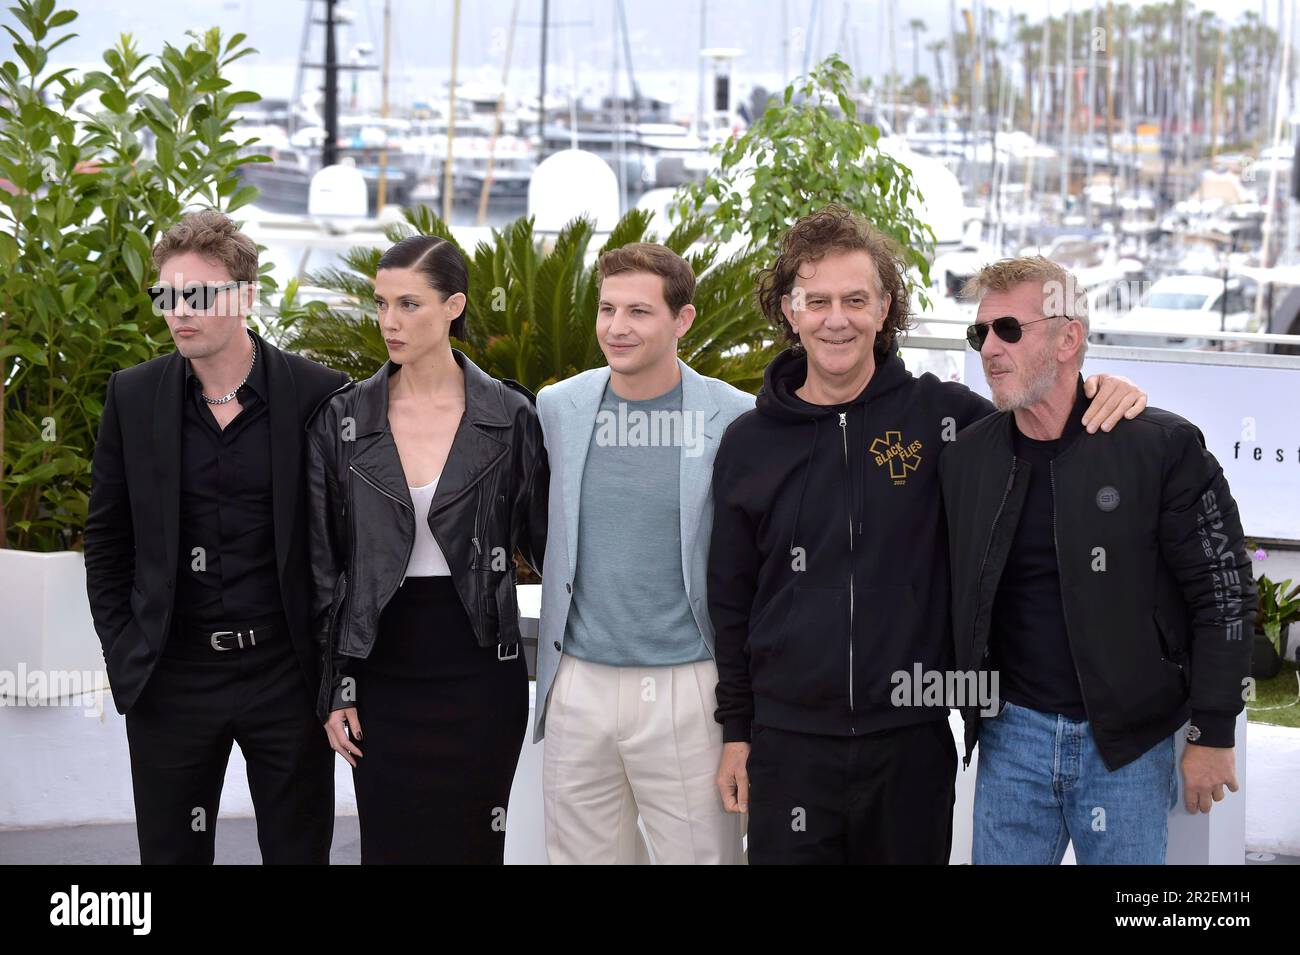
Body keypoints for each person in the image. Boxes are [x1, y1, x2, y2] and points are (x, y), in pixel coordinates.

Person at [709, 205, 1147, 864]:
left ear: (885, 308)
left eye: (856, 298)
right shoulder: (748, 443)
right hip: (787, 746)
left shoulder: (952, 422)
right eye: (818, 300)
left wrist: (1100, 389)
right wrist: (736, 730)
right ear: (790, 310)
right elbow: (730, 597)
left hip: (911, 743)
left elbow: (1045, 415)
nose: (837, 317)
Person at [939, 256, 1256, 864]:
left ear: (1069, 337)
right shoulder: (967, 456)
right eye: (980, 333)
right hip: (1010, 738)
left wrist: (1213, 730)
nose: (989, 349)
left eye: (1010, 329)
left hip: (1129, 744)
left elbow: (1224, 593)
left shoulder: (1160, 447)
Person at [84, 210, 348, 864]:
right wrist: (127, 654)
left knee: (297, 853)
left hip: (286, 674)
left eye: (199, 295)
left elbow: (348, 545)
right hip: (173, 676)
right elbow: (107, 539)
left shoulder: (320, 395)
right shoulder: (134, 396)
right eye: (168, 295)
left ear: (246, 297)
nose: (180, 311)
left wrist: (336, 673)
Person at [307, 235, 547, 864]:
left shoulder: (511, 415)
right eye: (381, 303)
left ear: (453, 306)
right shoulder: (343, 419)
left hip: (479, 665)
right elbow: (323, 567)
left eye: (409, 304)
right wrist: (336, 684)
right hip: (379, 664)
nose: (390, 321)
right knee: (387, 847)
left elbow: (551, 549)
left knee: (473, 846)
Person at [534, 243, 754, 864]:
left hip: (688, 686)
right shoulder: (559, 407)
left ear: (681, 320)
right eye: (607, 309)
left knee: (705, 858)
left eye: (638, 311)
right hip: (576, 680)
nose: (617, 327)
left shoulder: (735, 418)